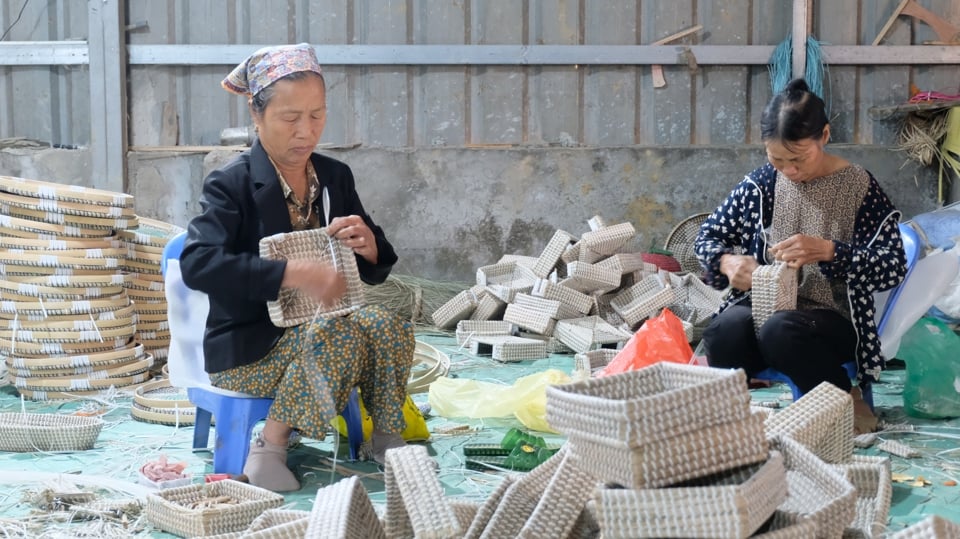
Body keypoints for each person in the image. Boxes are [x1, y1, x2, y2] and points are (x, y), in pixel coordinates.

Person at [179, 43, 414, 492]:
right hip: (251, 349)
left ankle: (385, 436)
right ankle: (269, 447)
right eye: (291, 118)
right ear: (257, 114)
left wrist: (369, 246)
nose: (306, 131)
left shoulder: (334, 177)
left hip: (321, 335)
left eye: (317, 115)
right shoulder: (232, 184)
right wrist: (289, 273)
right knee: (339, 333)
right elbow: (198, 263)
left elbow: (375, 264)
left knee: (387, 324)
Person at [694, 78, 906, 434]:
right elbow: (707, 237)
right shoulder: (761, 185)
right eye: (777, 159)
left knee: (782, 330)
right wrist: (726, 262)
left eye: (798, 158)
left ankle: (842, 396)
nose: (789, 170)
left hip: (834, 319)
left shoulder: (859, 187)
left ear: (824, 136)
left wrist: (831, 251)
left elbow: (892, 265)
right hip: (766, 308)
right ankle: (734, 429)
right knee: (724, 331)